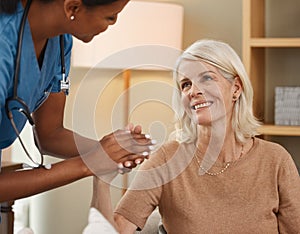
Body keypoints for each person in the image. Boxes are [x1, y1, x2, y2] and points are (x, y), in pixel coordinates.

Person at [87, 39, 300, 233]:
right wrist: (101, 180)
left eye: (206, 78)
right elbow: (117, 229)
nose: (193, 91)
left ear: (236, 88)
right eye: (185, 84)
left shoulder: (275, 160)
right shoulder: (167, 159)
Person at [0, 0, 154, 207]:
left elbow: (50, 134)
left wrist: (113, 150)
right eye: (110, 16)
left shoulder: (61, 40)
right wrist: (88, 164)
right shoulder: (3, 43)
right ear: (72, 7)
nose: (114, 22)